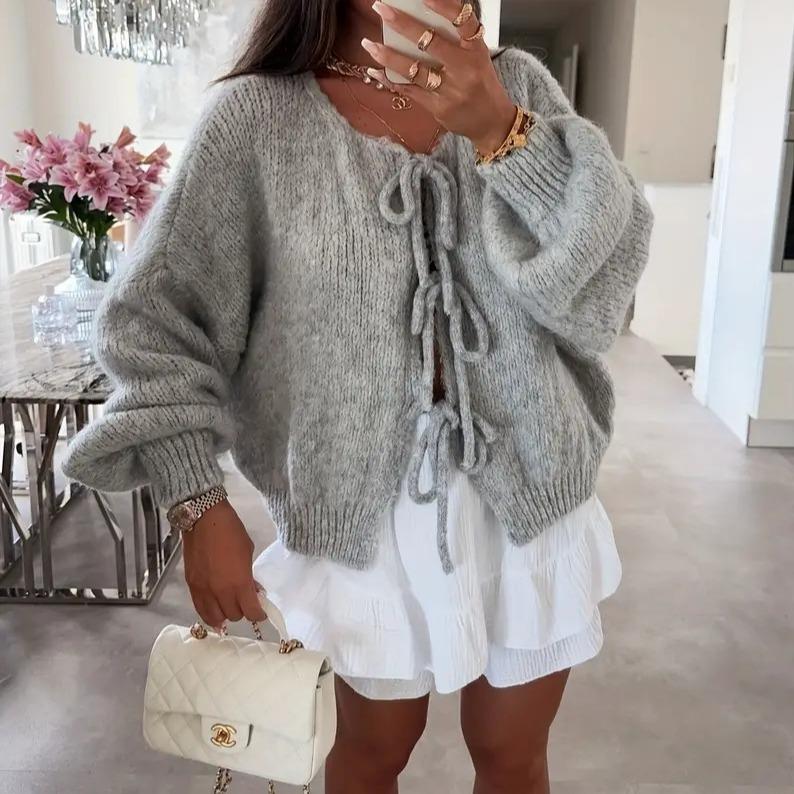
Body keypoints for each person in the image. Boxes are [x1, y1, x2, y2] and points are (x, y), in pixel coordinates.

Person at [63, 0, 653, 791]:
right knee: (372, 755)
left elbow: (605, 280)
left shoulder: (515, 87)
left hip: (532, 489)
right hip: (361, 519)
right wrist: (195, 500)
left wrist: (502, 132)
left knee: (514, 756)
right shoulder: (255, 122)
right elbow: (155, 321)